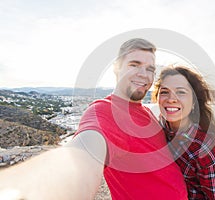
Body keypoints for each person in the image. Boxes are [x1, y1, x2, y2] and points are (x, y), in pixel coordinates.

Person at [0, 39, 188, 200]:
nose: (143, 74)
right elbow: (81, 156)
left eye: (150, 69)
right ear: (117, 69)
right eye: (134, 64)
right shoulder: (103, 113)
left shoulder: (145, 111)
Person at [152, 65, 215, 199]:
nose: (171, 99)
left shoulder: (206, 148)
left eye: (181, 92)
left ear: (194, 101)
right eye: (164, 92)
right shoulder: (159, 125)